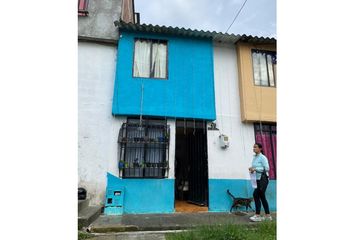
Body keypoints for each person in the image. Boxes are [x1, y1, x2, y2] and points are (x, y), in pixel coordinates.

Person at [248, 143, 272, 222]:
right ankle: (267, 216)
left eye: (255, 147)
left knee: (256, 195)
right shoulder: (254, 157)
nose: (253, 148)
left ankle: (258, 215)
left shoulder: (263, 157)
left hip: (263, 180)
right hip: (257, 179)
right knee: (261, 196)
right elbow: (255, 168)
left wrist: (255, 169)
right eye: (253, 147)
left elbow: (267, 168)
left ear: (260, 149)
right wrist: (252, 169)